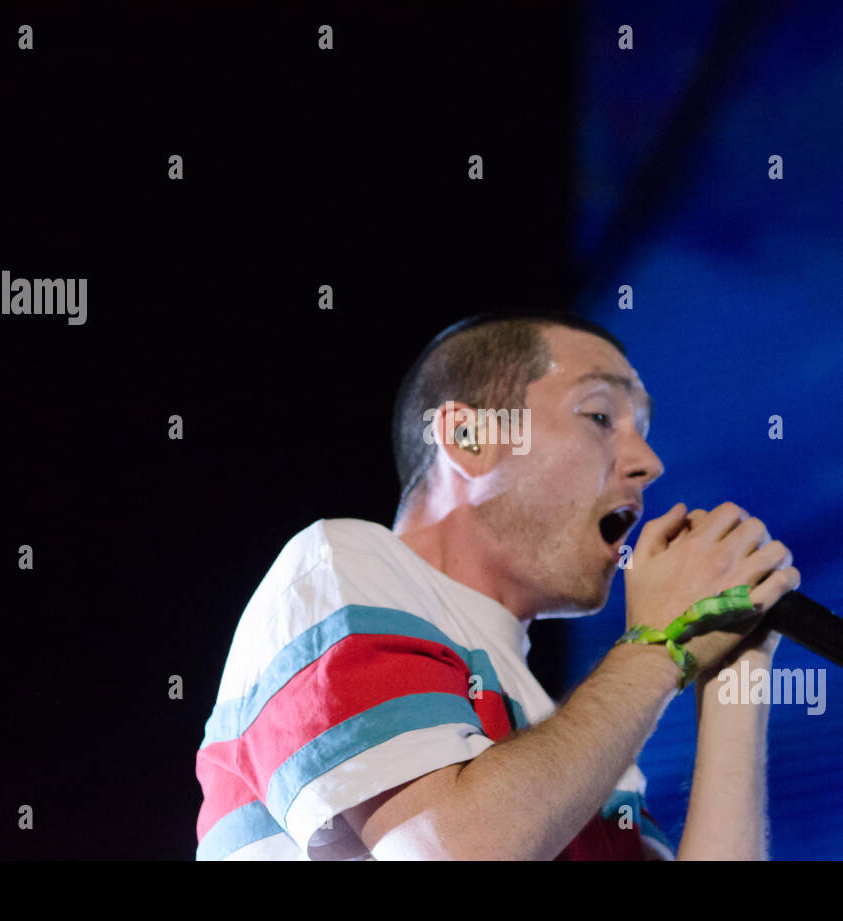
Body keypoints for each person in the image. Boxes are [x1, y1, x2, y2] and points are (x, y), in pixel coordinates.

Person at [194, 308, 800, 860]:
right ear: (469, 440)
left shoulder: (590, 753)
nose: (647, 461)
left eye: (640, 429)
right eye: (599, 416)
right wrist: (655, 646)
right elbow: (451, 851)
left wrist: (732, 680)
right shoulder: (340, 562)